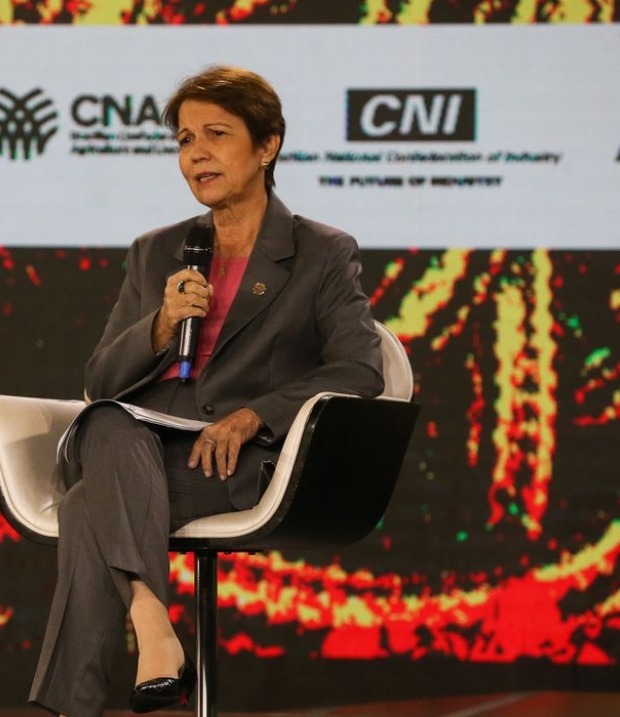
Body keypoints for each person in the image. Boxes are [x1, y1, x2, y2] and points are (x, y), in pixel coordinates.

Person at [29, 66, 385, 716]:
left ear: (267, 145)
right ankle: (152, 618)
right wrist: (162, 324)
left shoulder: (320, 253)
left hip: (232, 461)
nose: (196, 153)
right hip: (136, 447)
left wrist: (258, 414)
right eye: (186, 138)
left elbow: (361, 368)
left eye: (216, 134)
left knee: (87, 506)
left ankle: (80, 696)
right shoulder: (156, 251)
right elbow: (102, 380)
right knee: (107, 420)